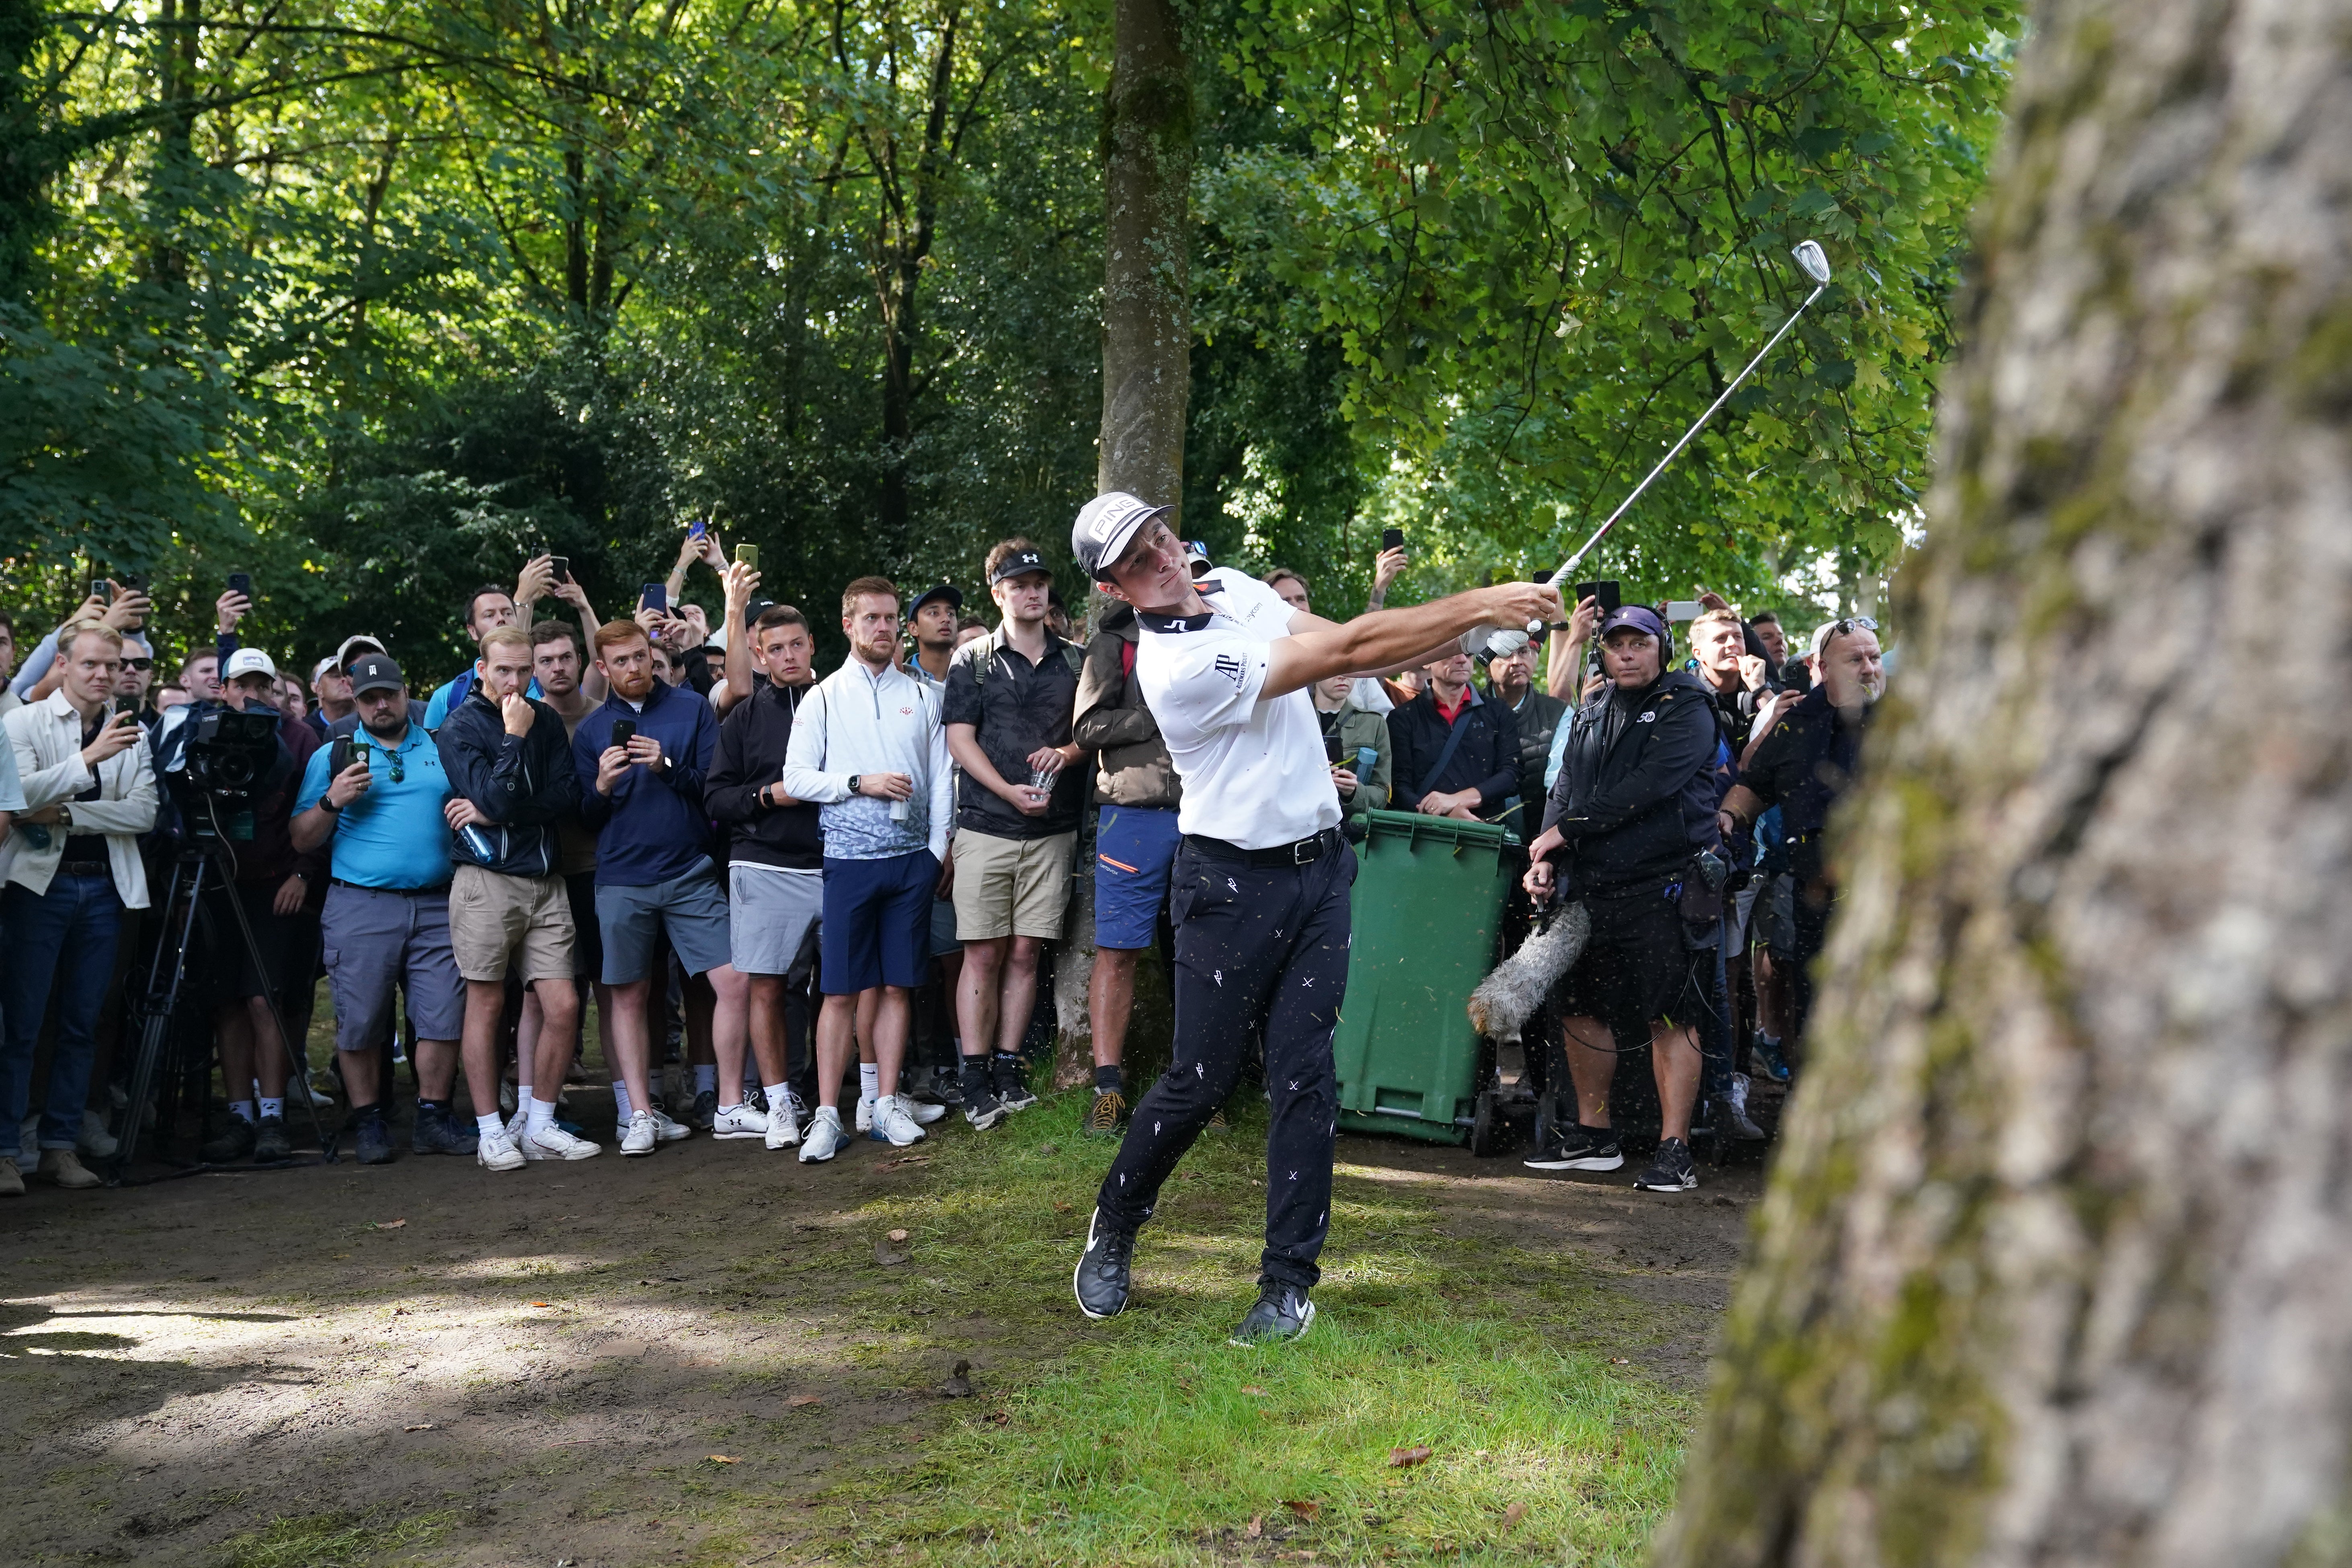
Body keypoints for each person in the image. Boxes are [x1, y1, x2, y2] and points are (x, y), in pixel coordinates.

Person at [1067, 493, 1558, 1343]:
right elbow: (1351, 647)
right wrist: (1482, 601)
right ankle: (1115, 1223)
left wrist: (1483, 635)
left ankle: (1287, 1283)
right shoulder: (1178, 667)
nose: (1165, 557)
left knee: (1307, 1078)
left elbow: (1354, 644)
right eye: (1141, 559)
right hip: (1228, 887)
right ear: (1118, 586)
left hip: (1322, 871)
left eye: (1162, 537)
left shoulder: (1236, 587)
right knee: (1200, 1081)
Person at [1519, 606, 1721, 1194]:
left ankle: (1674, 1150)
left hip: (1664, 886)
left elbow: (1648, 787)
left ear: (1662, 648)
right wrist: (1545, 859)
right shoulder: (1592, 706)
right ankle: (1593, 1135)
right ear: (1602, 651)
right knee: (1580, 1009)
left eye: (1639, 643)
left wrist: (1566, 832)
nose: (1627, 654)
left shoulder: (1688, 706)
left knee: (1671, 1017)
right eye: (1616, 645)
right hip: (1591, 888)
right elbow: (1565, 786)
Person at [779, 577, 955, 1162]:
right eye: (870, 618)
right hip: (849, 862)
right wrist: (859, 784)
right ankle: (828, 1114)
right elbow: (798, 778)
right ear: (847, 624)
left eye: (888, 618)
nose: (882, 628)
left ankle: (883, 1105)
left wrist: (935, 850)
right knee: (841, 991)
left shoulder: (924, 697)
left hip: (910, 863)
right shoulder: (823, 697)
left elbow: (939, 780)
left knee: (897, 985)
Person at [289, 654, 486, 1164]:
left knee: (443, 1017)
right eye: (369, 698)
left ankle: (433, 1117)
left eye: (390, 695)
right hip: (360, 903)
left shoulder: (442, 745)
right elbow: (301, 837)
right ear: (353, 701)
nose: (381, 705)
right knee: (360, 1021)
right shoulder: (333, 754)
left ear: (406, 694)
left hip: (440, 903)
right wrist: (332, 801)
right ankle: (370, 1120)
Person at [573, 619, 751, 1155]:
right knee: (628, 994)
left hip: (688, 872)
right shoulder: (588, 732)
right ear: (603, 668)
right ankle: (641, 1116)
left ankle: (728, 1104)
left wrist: (666, 767)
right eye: (621, 662)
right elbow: (582, 817)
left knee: (734, 983)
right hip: (621, 878)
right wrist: (602, 786)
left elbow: (712, 786)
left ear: (653, 657)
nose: (634, 669)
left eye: (640, 658)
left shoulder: (691, 708)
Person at [942, 540, 1085, 1129]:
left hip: (1054, 831)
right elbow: (958, 739)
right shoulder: (971, 659)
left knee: (1027, 952)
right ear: (997, 593)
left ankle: (1007, 1067)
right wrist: (1004, 791)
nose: (1032, 591)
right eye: (1019, 584)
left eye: (1040, 582)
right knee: (982, 952)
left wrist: (1068, 753)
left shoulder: (1079, 661)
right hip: (985, 826)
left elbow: (1094, 732)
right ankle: (973, 1077)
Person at [0, 624, 147, 1194]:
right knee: (22, 1023)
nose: (103, 675)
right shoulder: (22, 723)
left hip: (106, 888)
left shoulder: (133, 730)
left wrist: (67, 814)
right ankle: (8, 1150)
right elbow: (17, 797)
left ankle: (60, 1148)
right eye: (90, 664)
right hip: (39, 888)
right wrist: (89, 759)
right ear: (63, 664)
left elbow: (144, 813)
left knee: (83, 1024)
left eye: (111, 666)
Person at [437, 625, 586, 1171]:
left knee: (564, 1005)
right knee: (487, 1002)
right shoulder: (458, 727)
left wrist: (499, 808)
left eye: (525, 670)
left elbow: (567, 797)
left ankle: (540, 1124)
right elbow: (495, 795)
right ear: (481, 669)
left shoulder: (544, 717)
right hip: (485, 878)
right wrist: (514, 737)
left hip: (545, 879)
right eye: (504, 670)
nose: (516, 681)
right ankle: (489, 1131)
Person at [1716, 616, 1884, 1060]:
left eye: (1875, 657)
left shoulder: (1909, 723)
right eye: (1855, 660)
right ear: (1822, 668)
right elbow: (1754, 785)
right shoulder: (1796, 723)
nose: (1869, 668)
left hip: (1891, 901)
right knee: (1818, 1012)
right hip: (1817, 901)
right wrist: (1729, 817)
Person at [191, 650, 324, 1164]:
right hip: (220, 884)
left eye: (260, 684)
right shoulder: (202, 732)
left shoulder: (298, 737)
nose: (251, 693)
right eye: (240, 684)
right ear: (222, 688)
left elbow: (317, 813)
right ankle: (239, 1115)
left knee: (264, 1000)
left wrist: (301, 875)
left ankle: (273, 1116)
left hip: (277, 884)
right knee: (227, 1002)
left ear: (273, 688)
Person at [705, 605, 825, 1152]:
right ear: (760, 655)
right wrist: (767, 795)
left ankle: (858, 1099)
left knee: (849, 986)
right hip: (764, 863)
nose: (787, 656)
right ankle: (778, 1101)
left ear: (812, 645)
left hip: (839, 861)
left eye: (795, 645)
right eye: (775, 649)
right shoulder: (745, 717)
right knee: (768, 986)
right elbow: (715, 797)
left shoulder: (839, 704)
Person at [1072, 593, 1181, 1135]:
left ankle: (1195, 1084)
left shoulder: (1210, 644)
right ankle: (1108, 1088)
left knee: (1203, 953)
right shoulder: (1113, 644)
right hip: (1132, 817)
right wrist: (1150, 717)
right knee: (1117, 953)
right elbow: (1086, 727)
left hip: (1207, 816)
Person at [1386, 643, 1520, 823]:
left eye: (1469, 653)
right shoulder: (1403, 718)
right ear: (1427, 662)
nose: (1463, 660)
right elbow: (1398, 787)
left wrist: (1456, 801)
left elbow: (1512, 775)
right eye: (1451, 653)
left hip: (1485, 831)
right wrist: (1444, 815)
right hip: (1423, 834)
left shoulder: (1499, 712)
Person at [1484, 630, 1566, 821]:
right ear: (1487, 665)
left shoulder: (1559, 714)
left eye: (1523, 652)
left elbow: (1560, 785)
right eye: (1505, 654)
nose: (1516, 662)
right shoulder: (1469, 710)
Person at [1309, 672, 1391, 819]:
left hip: (1346, 828)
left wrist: (1353, 793)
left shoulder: (1372, 724)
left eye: (1351, 670)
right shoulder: (1291, 718)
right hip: (1297, 824)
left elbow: (1382, 792)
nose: (1343, 677)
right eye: (1335, 669)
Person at [905, 583, 962, 690]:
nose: (946, 619)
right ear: (913, 628)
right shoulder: (899, 680)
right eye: (934, 613)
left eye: (951, 614)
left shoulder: (973, 679)